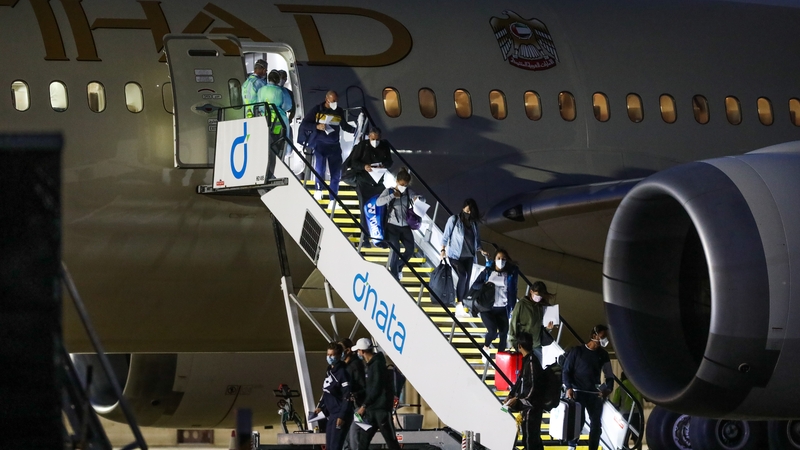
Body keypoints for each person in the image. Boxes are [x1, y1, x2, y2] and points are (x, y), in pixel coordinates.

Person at [562, 325, 615, 450]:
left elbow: (609, 375)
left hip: (594, 394)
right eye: (603, 336)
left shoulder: (603, 354)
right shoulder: (577, 351)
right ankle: (572, 446)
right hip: (577, 392)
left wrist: (608, 389)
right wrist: (569, 387)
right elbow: (566, 371)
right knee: (577, 422)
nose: (605, 339)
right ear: (594, 336)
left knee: (596, 424)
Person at [299, 90, 357, 201]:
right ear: (327, 99)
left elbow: (344, 126)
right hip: (320, 144)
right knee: (320, 169)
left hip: (334, 145)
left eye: (337, 101)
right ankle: (318, 190)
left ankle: (333, 199)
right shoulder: (317, 110)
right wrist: (317, 126)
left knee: (336, 174)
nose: (335, 103)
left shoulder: (339, 111)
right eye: (333, 101)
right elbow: (305, 124)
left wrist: (356, 131)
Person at [351, 338, 401, 450]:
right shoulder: (371, 365)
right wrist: (358, 394)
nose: (357, 353)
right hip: (372, 411)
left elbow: (376, 388)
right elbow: (371, 388)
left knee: (391, 441)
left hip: (381, 411)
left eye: (358, 351)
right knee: (363, 442)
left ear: (362, 351)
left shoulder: (377, 365)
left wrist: (364, 406)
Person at [375, 168, 422, 280]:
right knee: (396, 249)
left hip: (405, 226)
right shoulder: (389, 191)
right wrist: (392, 196)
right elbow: (378, 202)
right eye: (401, 184)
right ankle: (394, 274)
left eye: (405, 185)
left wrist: (418, 199)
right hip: (392, 226)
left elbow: (420, 198)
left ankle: (398, 266)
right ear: (397, 181)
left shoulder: (408, 192)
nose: (403, 187)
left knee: (410, 250)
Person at [440, 198, 488, 304]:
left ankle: (461, 302)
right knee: (463, 275)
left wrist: (481, 250)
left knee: (467, 283)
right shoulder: (454, 219)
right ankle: (459, 303)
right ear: (463, 208)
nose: (469, 213)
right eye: (467, 211)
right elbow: (445, 236)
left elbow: (477, 240)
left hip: (469, 256)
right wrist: (442, 250)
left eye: (471, 212)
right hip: (455, 256)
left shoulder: (474, 224)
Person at [473, 249, 518, 358]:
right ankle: (485, 347)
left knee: (503, 334)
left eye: (503, 259)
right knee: (492, 331)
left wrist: (512, 306)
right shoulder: (488, 272)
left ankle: (500, 359)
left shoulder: (510, 275)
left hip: (502, 308)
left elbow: (513, 291)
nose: (501, 261)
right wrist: (486, 284)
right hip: (487, 308)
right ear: (494, 259)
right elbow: (475, 285)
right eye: (498, 258)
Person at [506, 332, 544, 450]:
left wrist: (517, 399)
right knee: (532, 437)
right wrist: (511, 394)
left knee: (530, 438)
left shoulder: (531, 362)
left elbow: (532, 387)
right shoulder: (528, 360)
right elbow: (520, 381)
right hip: (529, 405)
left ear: (520, 346)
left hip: (532, 407)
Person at [343, 127, 394, 216]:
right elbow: (353, 162)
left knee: (381, 209)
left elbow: (390, 162)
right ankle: (364, 229)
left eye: (377, 139)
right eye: (373, 139)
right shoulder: (362, 145)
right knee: (365, 209)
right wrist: (364, 166)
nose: (375, 141)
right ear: (369, 137)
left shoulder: (384, 146)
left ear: (380, 137)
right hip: (363, 181)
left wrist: (383, 165)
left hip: (378, 181)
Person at [313, 342, 352, 450]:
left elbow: (347, 395)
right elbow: (327, 392)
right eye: (328, 355)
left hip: (339, 413)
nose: (329, 357)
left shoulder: (343, 372)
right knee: (329, 446)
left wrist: (342, 416)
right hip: (331, 413)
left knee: (335, 446)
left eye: (332, 355)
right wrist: (321, 406)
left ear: (339, 356)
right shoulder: (329, 371)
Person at [509, 281, 556, 366]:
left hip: (537, 345)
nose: (539, 298)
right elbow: (513, 324)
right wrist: (513, 343)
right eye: (537, 295)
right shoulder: (521, 305)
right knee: (524, 372)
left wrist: (548, 329)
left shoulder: (540, 307)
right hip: (524, 345)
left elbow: (539, 327)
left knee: (537, 372)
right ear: (531, 291)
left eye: (541, 296)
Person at [339, 338, 365, 450]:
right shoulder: (343, 366)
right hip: (346, 406)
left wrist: (355, 394)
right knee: (346, 437)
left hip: (356, 405)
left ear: (348, 350)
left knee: (354, 436)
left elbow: (362, 385)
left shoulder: (355, 366)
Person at [611, 372, 643, 447]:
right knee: (637, 437)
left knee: (624, 438)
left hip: (624, 415)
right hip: (637, 414)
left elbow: (615, 403)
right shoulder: (637, 387)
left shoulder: (620, 388)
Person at [257, 70, 289, 140]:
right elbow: (287, 106)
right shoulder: (281, 91)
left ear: (268, 78)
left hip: (264, 119)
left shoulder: (261, 90)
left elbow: (258, 105)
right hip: (278, 120)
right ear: (278, 80)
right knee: (281, 138)